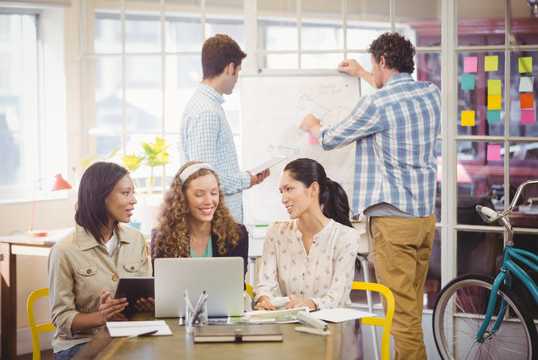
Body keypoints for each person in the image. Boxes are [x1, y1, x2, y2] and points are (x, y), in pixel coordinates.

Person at [299, 32, 441, 360]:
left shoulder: (376, 104)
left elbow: (332, 138)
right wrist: (364, 74)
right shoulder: (430, 93)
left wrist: (312, 125)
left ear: (381, 61)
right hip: (424, 221)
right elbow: (394, 90)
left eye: (374, 66)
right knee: (411, 309)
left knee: (402, 316)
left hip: (394, 223)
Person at [48, 162, 153, 360]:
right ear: (101, 196)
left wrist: (148, 304)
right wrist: (101, 317)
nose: (134, 200)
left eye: (133, 192)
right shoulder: (63, 251)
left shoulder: (136, 239)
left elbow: (140, 293)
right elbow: (61, 318)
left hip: (128, 335)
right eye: (126, 193)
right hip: (80, 344)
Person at [180, 34, 269, 222]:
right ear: (230, 68)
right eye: (238, 71)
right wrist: (247, 180)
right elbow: (204, 181)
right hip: (217, 225)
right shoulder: (206, 112)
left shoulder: (205, 106)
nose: (237, 79)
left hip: (218, 223)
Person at [253, 158, 359, 310]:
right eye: (281, 192)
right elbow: (265, 286)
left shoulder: (346, 237)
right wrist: (265, 301)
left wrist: (307, 304)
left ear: (313, 189)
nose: (283, 199)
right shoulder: (276, 232)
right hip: (289, 327)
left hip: (330, 329)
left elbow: (337, 299)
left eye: (289, 189)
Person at [152, 161, 249, 276]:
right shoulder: (163, 237)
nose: (208, 201)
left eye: (214, 193)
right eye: (199, 194)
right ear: (182, 197)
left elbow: (236, 285)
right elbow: (162, 286)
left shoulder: (236, 234)